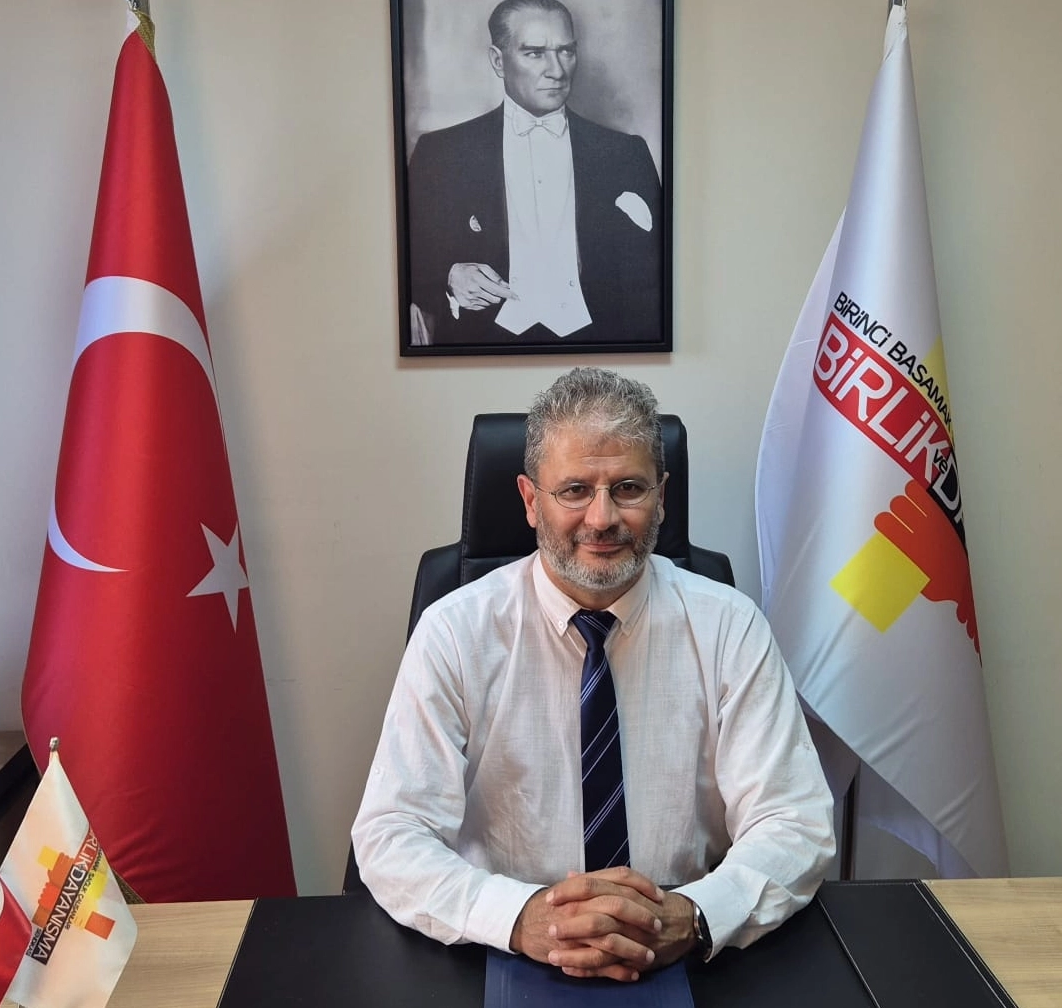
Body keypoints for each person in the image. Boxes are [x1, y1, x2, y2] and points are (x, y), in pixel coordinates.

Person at [352, 367, 835, 982]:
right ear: (531, 501)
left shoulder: (730, 627)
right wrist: (521, 917)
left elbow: (795, 821)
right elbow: (393, 830)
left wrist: (696, 913)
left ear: (662, 495)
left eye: (628, 488)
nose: (602, 518)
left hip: (685, 944)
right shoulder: (455, 631)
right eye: (575, 490)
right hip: (500, 948)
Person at [406, 0, 663, 347]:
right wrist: (449, 276)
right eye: (535, 53)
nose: (556, 70)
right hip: (480, 348)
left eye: (565, 51)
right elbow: (407, 261)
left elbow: (655, 273)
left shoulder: (625, 154)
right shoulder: (441, 153)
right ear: (498, 61)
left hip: (600, 346)